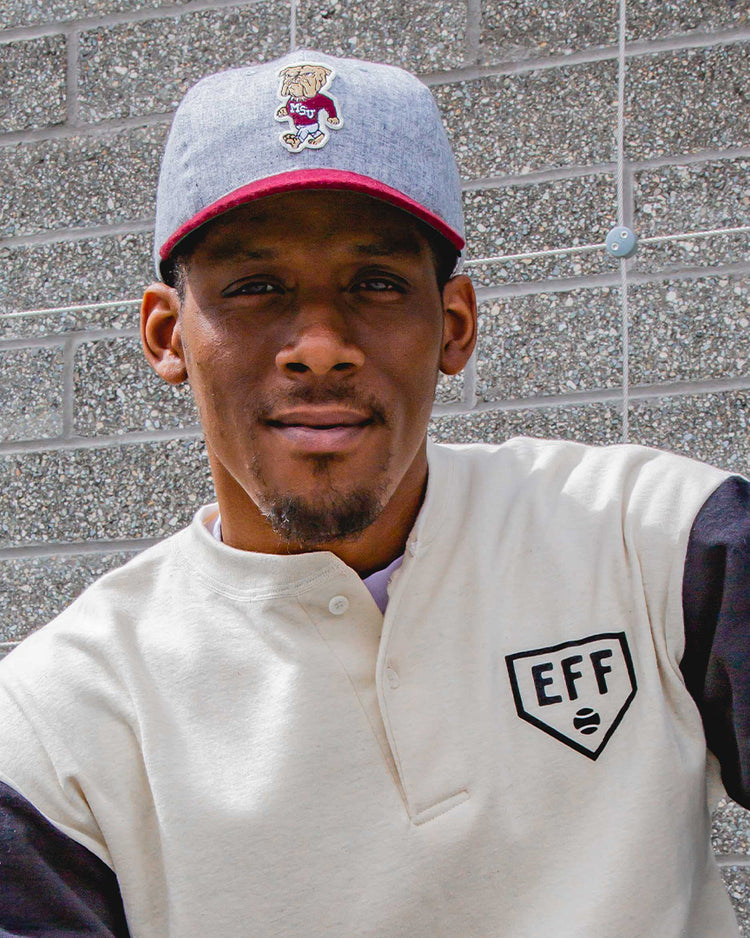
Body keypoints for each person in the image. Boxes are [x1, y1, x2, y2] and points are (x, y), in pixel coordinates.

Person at [0, 48, 749, 938]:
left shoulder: (650, 538)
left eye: (377, 283)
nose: (319, 343)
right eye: (255, 287)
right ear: (167, 336)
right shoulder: (60, 721)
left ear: (454, 324)